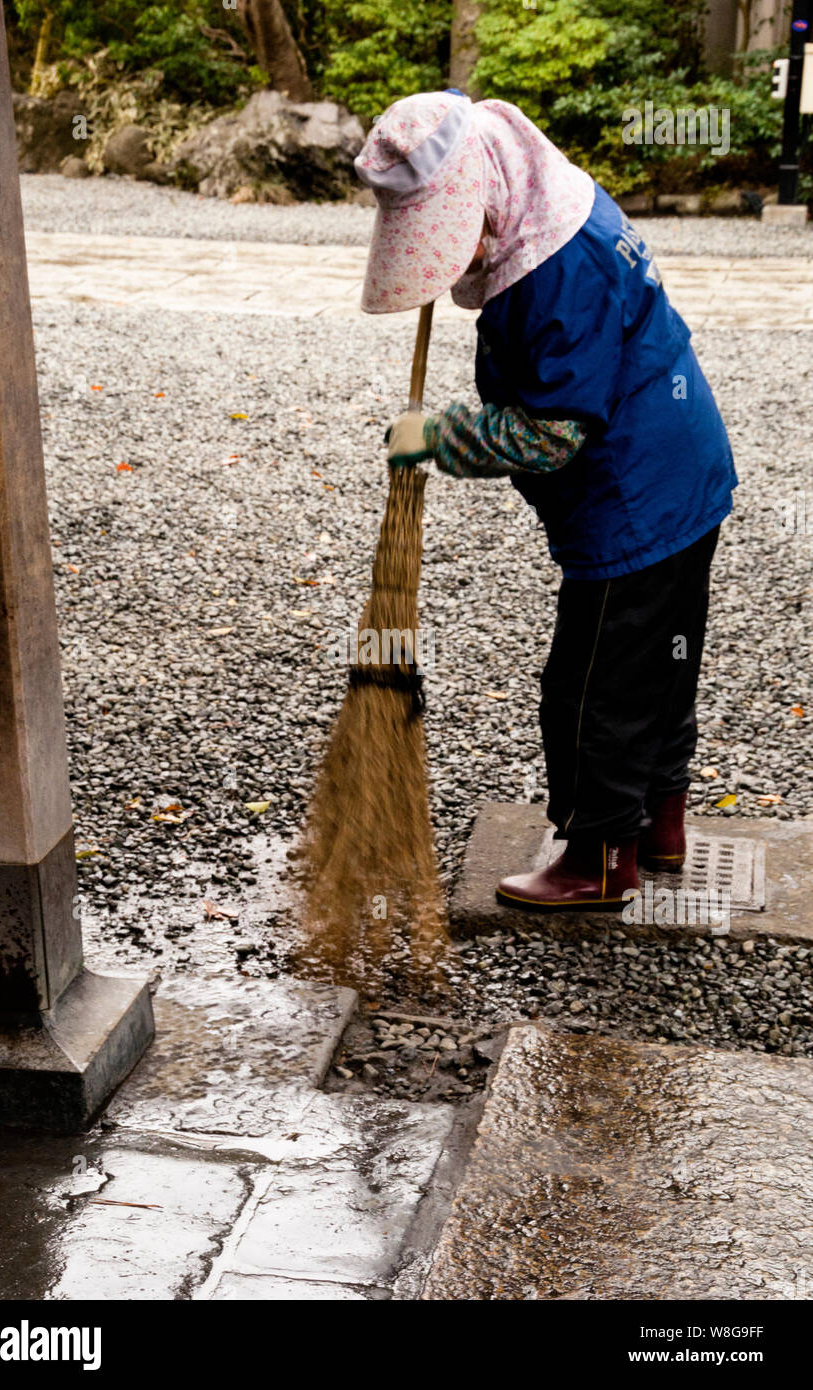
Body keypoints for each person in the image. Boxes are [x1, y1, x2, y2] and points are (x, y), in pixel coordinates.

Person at [354, 90, 736, 911]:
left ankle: (599, 858)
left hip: (631, 499)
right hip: (683, 471)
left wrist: (437, 436)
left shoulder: (556, 275)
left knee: (590, 684)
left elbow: (551, 434)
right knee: (658, 663)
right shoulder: (550, 199)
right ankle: (659, 824)